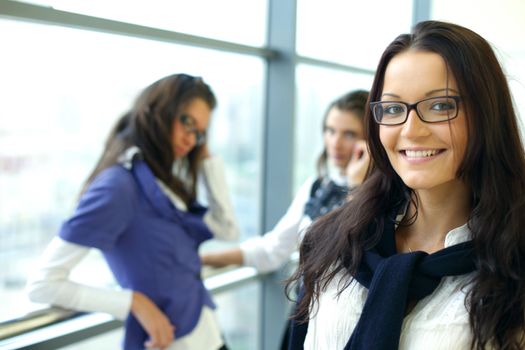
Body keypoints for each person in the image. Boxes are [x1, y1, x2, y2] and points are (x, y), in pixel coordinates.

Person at [288, 20, 525, 350]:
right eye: (394, 108)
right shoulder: (335, 243)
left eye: (441, 105)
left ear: (486, 115)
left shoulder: (512, 263)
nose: (411, 131)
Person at [26, 73, 239, 350]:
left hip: (209, 336)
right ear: (159, 111)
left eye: (199, 133)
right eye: (187, 122)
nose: (191, 140)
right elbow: (42, 285)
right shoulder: (118, 187)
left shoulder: (162, 184)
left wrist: (208, 158)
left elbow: (228, 229)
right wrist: (134, 303)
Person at [201, 90, 370, 349]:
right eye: (330, 130)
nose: (335, 143)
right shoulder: (317, 186)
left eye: (349, 134)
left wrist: (357, 187)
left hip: (352, 323)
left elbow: (354, 252)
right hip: (306, 314)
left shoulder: (384, 196)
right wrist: (203, 259)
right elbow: (273, 249)